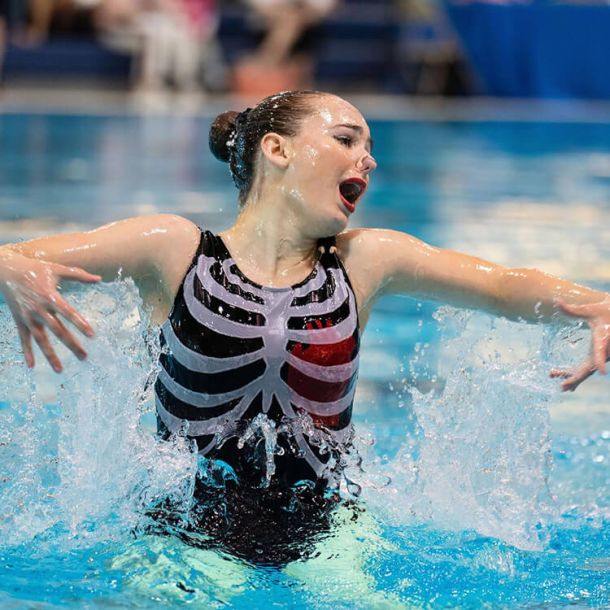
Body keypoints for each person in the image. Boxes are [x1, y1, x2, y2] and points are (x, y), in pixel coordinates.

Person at [1, 90, 609, 563]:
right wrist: (10, 267)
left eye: (369, 148)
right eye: (346, 139)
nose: (367, 159)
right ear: (277, 150)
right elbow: (20, 256)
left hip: (326, 531)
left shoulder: (364, 261)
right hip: (180, 528)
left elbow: (504, 286)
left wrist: (598, 304)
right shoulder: (173, 248)